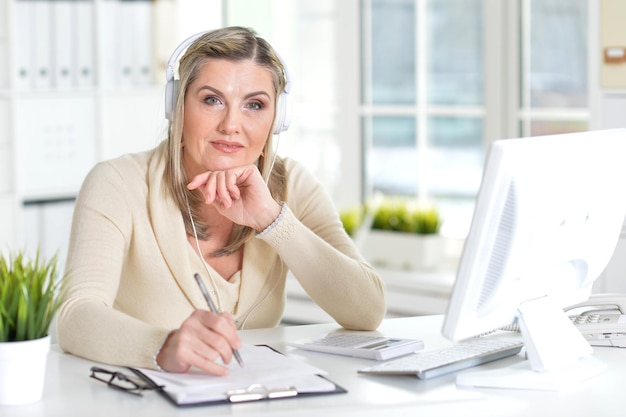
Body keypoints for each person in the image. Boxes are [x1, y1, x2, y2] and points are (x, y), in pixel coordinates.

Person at [57, 26, 386, 376]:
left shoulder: (294, 184)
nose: (231, 125)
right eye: (212, 100)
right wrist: (161, 346)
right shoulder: (118, 183)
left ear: (278, 118)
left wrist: (272, 220)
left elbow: (367, 311)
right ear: (178, 106)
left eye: (254, 105)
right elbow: (75, 315)